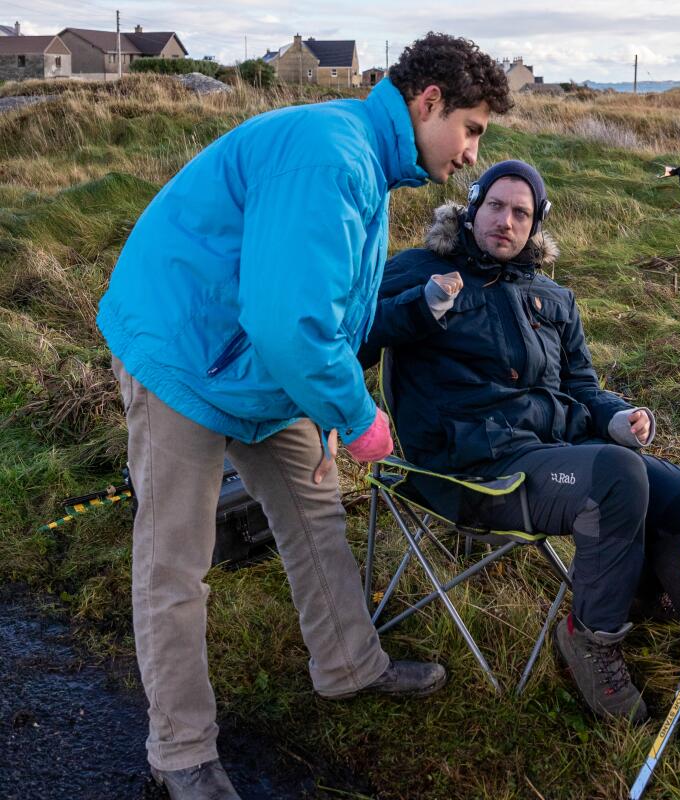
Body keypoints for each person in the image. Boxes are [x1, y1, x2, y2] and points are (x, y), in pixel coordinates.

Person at [96, 33, 512, 800]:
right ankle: (181, 752)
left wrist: (329, 403)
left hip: (261, 367)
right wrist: (356, 418)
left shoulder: (367, 161)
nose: (472, 153)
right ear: (428, 103)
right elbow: (289, 320)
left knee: (313, 514)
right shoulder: (331, 154)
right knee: (175, 564)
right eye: (473, 128)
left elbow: (318, 310)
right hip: (184, 355)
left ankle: (350, 667)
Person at [359, 161, 680, 724]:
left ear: (536, 225)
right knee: (616, 478)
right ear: (471, 205)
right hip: (470, 468)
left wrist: (617, 417)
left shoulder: (552, 296)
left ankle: (639, 597)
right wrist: (422, 308)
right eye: (495, 206)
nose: (505, 222)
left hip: (550, 450)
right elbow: (354, 341)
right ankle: (591, 641)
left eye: (521, 213)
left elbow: (582, 386)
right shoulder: (418, 269)